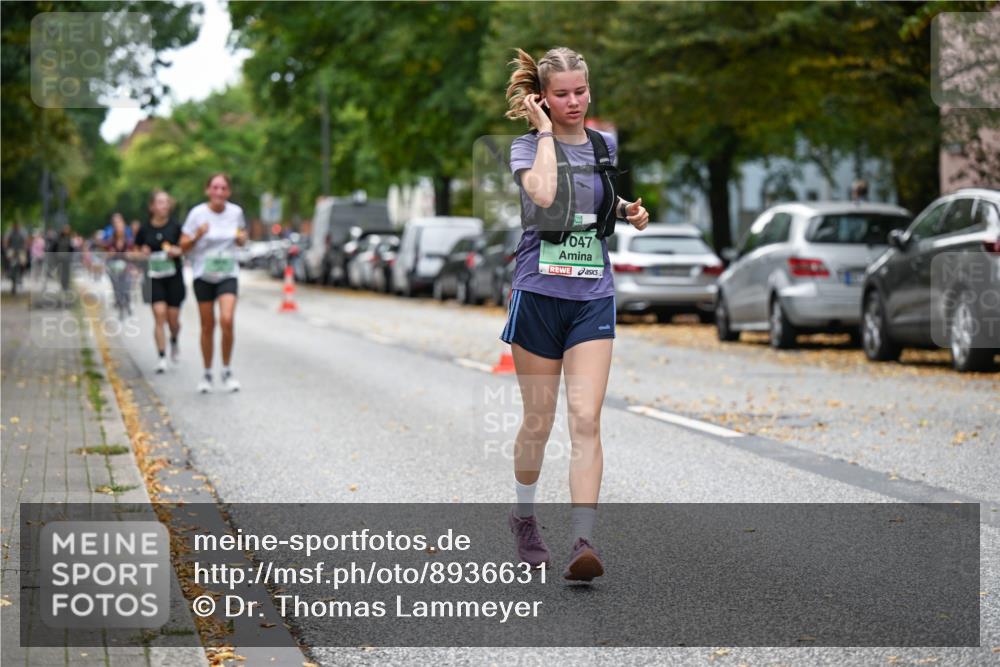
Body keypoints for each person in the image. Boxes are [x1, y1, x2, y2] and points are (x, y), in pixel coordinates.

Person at [501, 47, 649, 581]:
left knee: (585, 419)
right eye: (561, 94)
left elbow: (596, 203)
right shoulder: (526, 146)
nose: (573, 102)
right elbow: (542, 195)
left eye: (580, 91)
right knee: (539, 421)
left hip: (592, 295)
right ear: (543, 96)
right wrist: (543, 132)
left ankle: (582, 541)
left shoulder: (604, 144)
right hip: (539, 294)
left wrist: (627, 211)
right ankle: (523, 516)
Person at [180, 173, 247, 393]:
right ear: (207, 190)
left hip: (228, 273)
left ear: (228, 192)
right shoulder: (197, 214)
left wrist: (241, 239)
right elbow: (183, 246)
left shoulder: (235, 212)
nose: (219, 192)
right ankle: (207, 372)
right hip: (203, 275)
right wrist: (198, 234)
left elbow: (242, 236)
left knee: (227, 320)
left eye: (223, 188)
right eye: (215, 188)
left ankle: (226, 370)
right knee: (208, 325)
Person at [136, 190, 186, 373]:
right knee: (159, 315)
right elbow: (136, 250)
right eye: (160, 202)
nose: (164, 205)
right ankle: (162, 356)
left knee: (173, 320)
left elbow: (185, 248)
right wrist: (142, 252)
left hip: (174, 277)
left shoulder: (176, 227)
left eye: (166, 202)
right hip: (153, 277)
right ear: (152, 206)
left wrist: (177, 251)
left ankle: (174, 339)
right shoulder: (144, 229)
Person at [104, 215, 135, 319]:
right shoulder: (110, 240)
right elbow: (105, 253)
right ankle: (121, 305)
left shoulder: (129, 240)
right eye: (116, 225)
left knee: (126, 287)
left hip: (126, 267)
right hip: (114, 267)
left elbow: (133, 252)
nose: (119, 228)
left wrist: (129, 255)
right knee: (117, 287)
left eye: (120, 226)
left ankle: (127, 303)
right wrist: (110, 254)